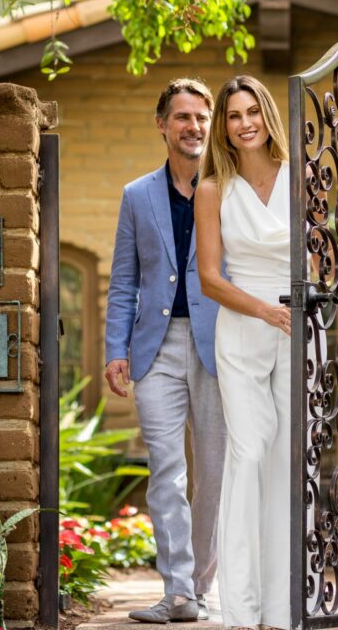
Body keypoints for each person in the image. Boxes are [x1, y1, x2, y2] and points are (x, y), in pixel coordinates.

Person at [195, 75, 338, 630]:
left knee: (287, 459)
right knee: (249, 453)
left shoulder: (303, 178)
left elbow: (324, 265)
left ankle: (283, 604)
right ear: (223, 127)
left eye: (252, 111)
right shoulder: (212, 190)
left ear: (267, 117)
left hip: (299, 329)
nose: (244, 122)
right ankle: (242, 606)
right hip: (245, 327)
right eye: (233, 115)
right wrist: (265, 311)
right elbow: (208, 278)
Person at [105, 78, 226, 623]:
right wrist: (115, 348)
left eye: (202, 117)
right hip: (154, 350)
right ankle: (177, 591)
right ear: (163, 125)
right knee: (167, 471)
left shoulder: (228, 188)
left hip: (219, 345)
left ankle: (202, 585)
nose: (194, 126)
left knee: (216, 473)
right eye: (183, 117)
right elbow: (123, 279)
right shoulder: (137, 196)